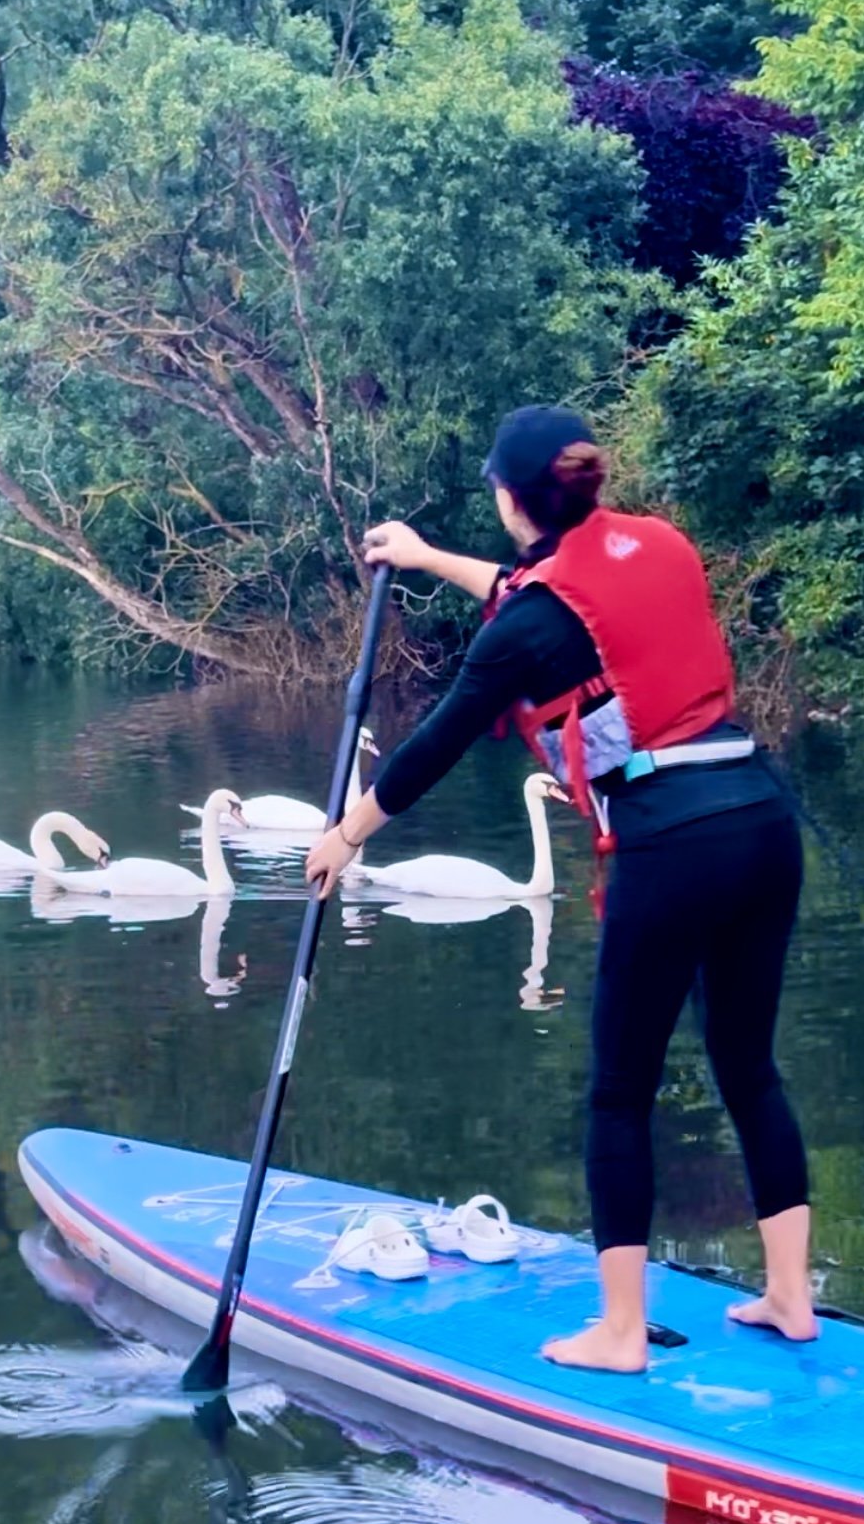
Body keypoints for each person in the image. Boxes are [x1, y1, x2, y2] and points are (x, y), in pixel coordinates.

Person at [305, 405, 814, 1365]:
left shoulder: (526, 629)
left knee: (619, 1093)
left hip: (670, 846)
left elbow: (435, 744)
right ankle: (790, 1295)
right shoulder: (660, 543)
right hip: (758, 820)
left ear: (509, 497)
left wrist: (343, 835)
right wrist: (422, 556)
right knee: (747, 1065)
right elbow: (543, 593)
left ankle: (621, 1332)